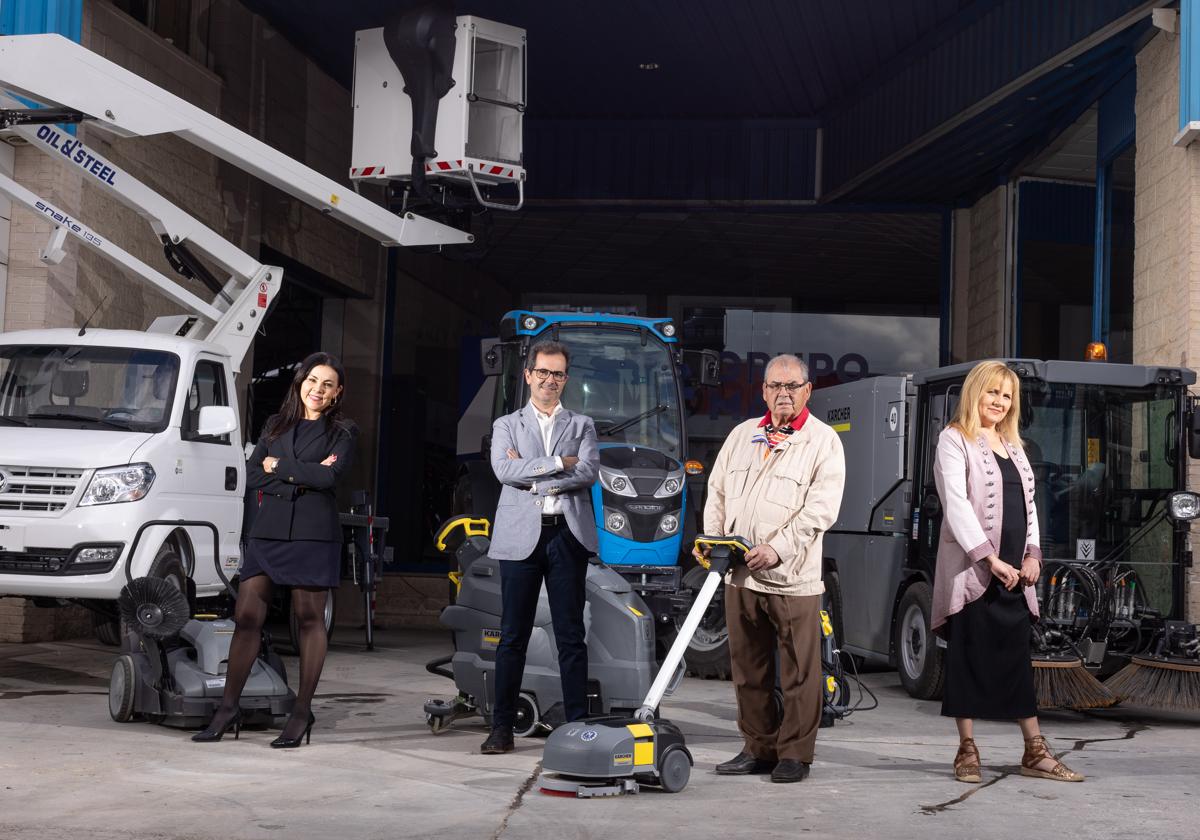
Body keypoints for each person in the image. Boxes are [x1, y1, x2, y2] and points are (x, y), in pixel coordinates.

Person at [192, 352, 356, 748]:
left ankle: (301, 713)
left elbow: (330, 475)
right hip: (267, 535)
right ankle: (228, 708)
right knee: (247, 615)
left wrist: (276, 466)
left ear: (336, 393)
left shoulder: (343, 431)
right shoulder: (275, 424)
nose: (318, 389)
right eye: (312, 380)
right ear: (300, 382)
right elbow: (251, 476)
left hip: (313, 536)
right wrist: (298, 476)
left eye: (327, 384)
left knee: (308, 620)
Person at [932, 360, 1083, 783]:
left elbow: (1030, 507)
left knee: (1016, 658)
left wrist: (1034, 555)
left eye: (1007, 395)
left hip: (1018, 570)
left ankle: (1034, 750)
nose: (999, 402)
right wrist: (988, 558)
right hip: (974, 568)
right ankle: (966, 749)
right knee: (968, 656)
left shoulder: (1015, 446)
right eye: (992, 392)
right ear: (975, 394)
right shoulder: (953, 440)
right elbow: (956, 505)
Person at [702, 354, 845, 783]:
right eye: (775, 386)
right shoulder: (742, 434)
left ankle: (795, 755)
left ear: (807, 391)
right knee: (748, 668)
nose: (783, 393)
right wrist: (713, 543)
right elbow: (717, 492)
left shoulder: (823, 441)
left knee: (801, 671)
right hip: (739, 574)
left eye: (792, 386)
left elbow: (821, 509)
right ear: (763, 391)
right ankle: (758, 747)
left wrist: (777, 549)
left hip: (792, 576)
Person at [479, 340, 600, 755]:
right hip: (520, 536)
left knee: (571, 634)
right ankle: (501, 729)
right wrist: (558, 462)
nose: (550, 380)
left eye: (559, 373)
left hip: (567, 535)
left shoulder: (582, 425)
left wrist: (535, 475)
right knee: (513, 635)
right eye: (543, 372)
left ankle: (578, 729)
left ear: (566, 379)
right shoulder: (506, 425)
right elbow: (502, 470)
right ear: (529, 374)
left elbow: (586, 471)